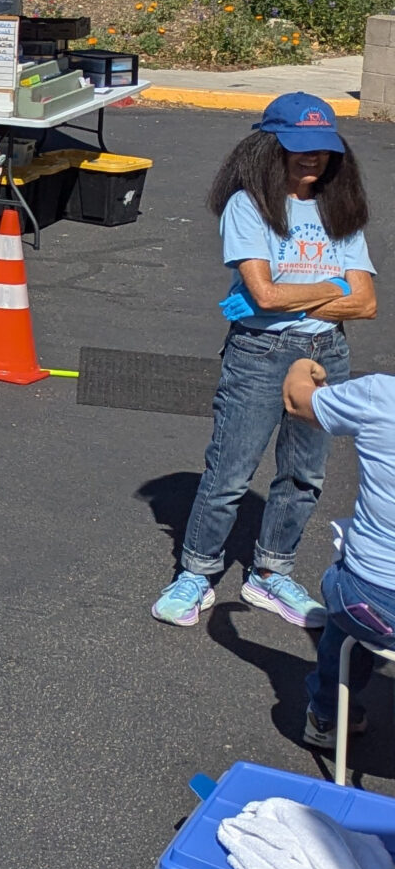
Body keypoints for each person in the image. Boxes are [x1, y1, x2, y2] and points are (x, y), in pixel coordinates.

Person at [151, 93, 376, 629]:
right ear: (268, 146)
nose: (312, 158)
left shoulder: (339, 206)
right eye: (299, 147)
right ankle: (197, 573)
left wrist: (297, 291)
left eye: (322, 148)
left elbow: (365, 303)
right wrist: (334, 284)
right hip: (260, 353)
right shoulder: (247, 205)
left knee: (305, 475)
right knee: (230, 473)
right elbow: (265, 297)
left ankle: (271, 574)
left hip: (327, 354)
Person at [285, 356, 395, 748]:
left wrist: (302, 365)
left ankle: (327, 715)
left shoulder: (381, 396)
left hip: (373, 605)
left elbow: (298, 402)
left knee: (347, 576)